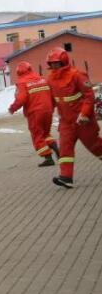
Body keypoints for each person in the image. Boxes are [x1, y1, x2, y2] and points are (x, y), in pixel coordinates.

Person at [45, 47, 102, 189]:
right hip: (66, 122)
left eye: (56, 63)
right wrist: (47, 113)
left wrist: (84, 114)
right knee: (65, 148)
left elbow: (89, 96)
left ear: (63, 61)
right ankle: (66, 177)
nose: (54, 66)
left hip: (83, 121)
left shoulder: (77, 75)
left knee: (94, 146)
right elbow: (52, 100)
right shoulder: (50, 79)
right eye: (51, 63)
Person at [8, 61, 58, 167]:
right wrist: (52, 107)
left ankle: (48, 158)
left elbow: (21, 99)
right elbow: (52, 94)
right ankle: (56, 149)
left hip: (35, 112)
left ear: (19, 73)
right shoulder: (42, 79)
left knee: (37, 135)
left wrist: (12, 108)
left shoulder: (22, 82)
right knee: (46, 133)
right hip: (48, 110)